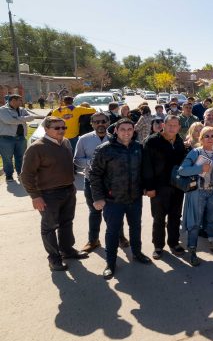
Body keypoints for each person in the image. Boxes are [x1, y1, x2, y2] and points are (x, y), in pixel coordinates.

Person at [21, 116, 88, 271]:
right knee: (49, 226)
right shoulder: (37, 148)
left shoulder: (65, 143)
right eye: (57, 128)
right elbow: (26, 175)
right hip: (48, 194)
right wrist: (35, 196)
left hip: (68, 190)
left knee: (66, 222)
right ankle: (54, 258)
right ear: (46, 129)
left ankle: (67, 250)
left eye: (63, 127)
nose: (61, 131)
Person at [89, 118, 152, 279]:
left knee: (136, 227)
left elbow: (143, 170)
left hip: (134, 198)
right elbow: (94, 175)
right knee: (112, 232)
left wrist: (145, 186)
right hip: (112, 200)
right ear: (116, 130)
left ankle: (137, 253)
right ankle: (111, 263)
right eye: (122, 129)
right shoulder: (104, 149)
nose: (126, 132)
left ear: (133, 130)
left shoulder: (138, 147)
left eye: (129, 129)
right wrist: (98, 198)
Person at [75, 113, 130, 252]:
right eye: (96, 121)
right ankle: (93, 240)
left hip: (113, 183)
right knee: (94, 212)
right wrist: (91, 162)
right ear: (92, 123)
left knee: (116, 212)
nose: (100, 124)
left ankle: (120, 237)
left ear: (108, 122)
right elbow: (77, 160)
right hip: (92, 182)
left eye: (103, 121)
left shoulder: (116, 139)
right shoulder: (83, 139)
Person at [178, 126, 213, 266]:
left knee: (212, 219)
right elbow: (182, 171)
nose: (210, 138)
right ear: (201, 138)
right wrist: (200, 168)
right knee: (195, 222)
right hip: (198, 192)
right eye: (207, 136)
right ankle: (192, 249)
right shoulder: (196, 152)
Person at [142, 115, 188, 260]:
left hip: (177, 187)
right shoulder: (152, 141)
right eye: (169, 125)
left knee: (175, 216)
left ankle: (174, 243)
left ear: (179, 127)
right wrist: (149, 188)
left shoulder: (179, 141)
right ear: (163, 124)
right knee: (159, 218)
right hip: (158, 187)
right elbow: (146, 166)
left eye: (175, 125)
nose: (172, 128)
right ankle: (158, 246)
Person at [0, 94, 44, 181]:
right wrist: (23, 118)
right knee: (7, 158)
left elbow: (31, 118)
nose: (22, 102)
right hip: (6, 138)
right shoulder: (2, 110)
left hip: (21, 138)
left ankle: (21, 174)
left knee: (20, 157)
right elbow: (9, 121)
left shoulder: (22, 109)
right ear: (13, 101)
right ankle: (9, 175)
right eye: (20, 100)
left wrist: (17, 118)